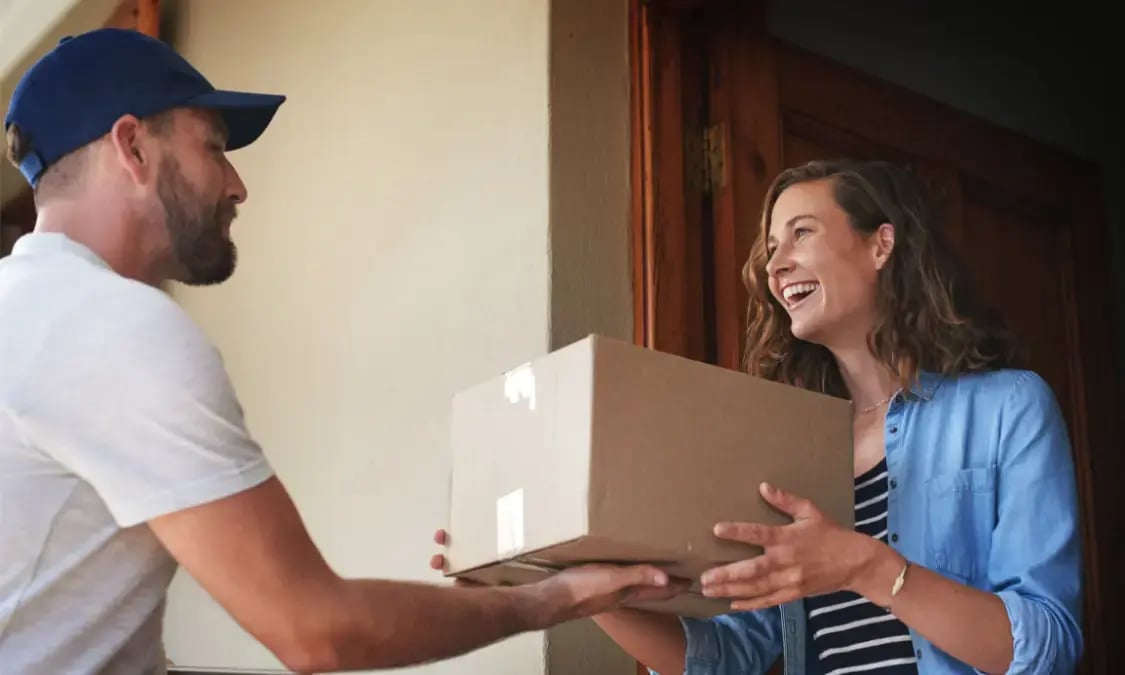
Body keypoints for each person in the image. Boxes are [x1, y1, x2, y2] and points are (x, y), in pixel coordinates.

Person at [0, 28, 682, 674]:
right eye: (212, 146)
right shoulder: (112, 328)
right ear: (134, 148)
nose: (237, 185)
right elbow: (315, 628)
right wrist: (551, 598)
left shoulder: (26, 309)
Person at [434, 159, 1084, 674]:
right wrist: (574, 588)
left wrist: (862, 565)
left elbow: (1045, 647)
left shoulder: (1008, 408)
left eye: (800, 232)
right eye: (770, 245)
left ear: (880, 243)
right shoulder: (785, 452)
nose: (774, 264)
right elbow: (723, 657)